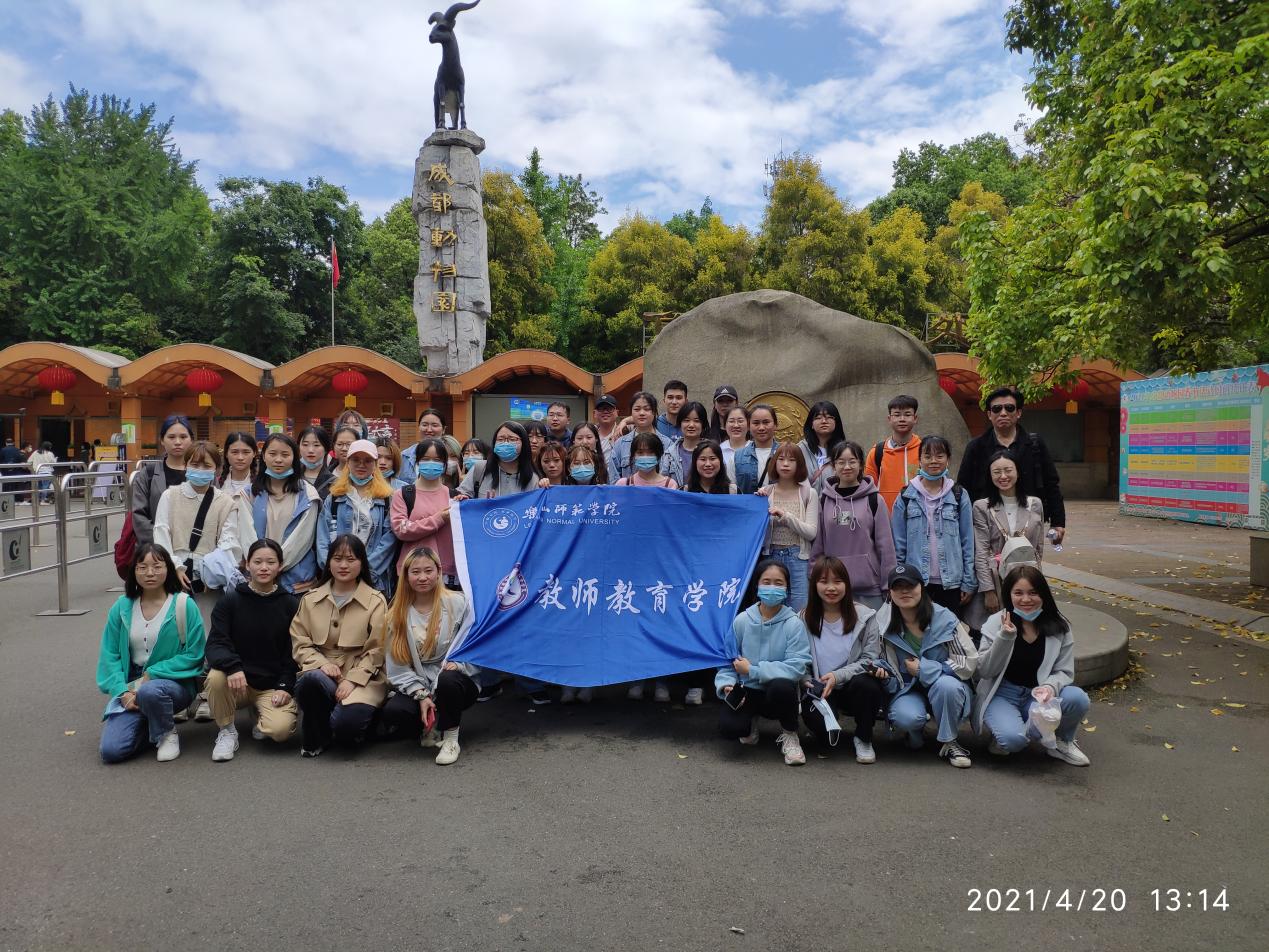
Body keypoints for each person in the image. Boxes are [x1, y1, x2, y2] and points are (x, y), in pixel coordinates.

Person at [96, 544, 206, 763]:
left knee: (151, 691)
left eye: (157, 566)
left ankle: (166, 733)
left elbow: (195, 653)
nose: (149, 573)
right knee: (112, 751)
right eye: (142, 567)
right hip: (132, 687)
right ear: (134, 571)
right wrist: (122, 692)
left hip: (173, 684)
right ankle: (152, 724)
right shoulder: (122, 607)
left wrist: (153, 673)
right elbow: (110, 656)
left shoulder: (184, 604)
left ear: (168, 569)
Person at [974, 565, 1090, 766]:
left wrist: (1050, 687)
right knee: (1013, 740)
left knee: (1078, 698)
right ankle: (1012, 731)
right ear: (1009, 595)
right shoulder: (995, 622)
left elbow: (1064, 671)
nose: (1026, 599)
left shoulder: (1059, 625)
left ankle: (1061, 742)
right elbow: (984, 670)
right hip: (1002, 695)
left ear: (1043, 594)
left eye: (1033, 593)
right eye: (1018, 593)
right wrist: (1005, 637)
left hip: (1038, 694)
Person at [290, 533, 388, 756]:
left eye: (351, 559)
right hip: (323, 674)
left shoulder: (376, 600)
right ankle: (318, 734)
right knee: (310, 680)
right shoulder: (310, 599)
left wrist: (352, 680)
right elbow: (300, 642)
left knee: (347, 729)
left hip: (364, 678)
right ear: (328, 562)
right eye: (337, 558)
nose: (343, 565)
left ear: (362, 563)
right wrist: (321, 664)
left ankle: (364, 722)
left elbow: (378, 649)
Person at [871, 564, 977, 768]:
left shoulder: (945, 618)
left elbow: (968, 661)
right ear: (890, 592)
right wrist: (881, 672)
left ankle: (950, 741)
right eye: (897, 587)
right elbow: (881, 660)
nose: (904, 591)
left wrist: (924, 670)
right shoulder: (882, 623)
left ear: (921, 587)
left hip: (944, 683)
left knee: (947, 687)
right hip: (907, 688)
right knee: (906, 717)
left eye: (910, 586)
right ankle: (914, 732)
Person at [380, 547, 479, 764]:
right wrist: (421, 694)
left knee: (448, 680)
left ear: (439, 572)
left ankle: (451, 738)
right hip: (419, 680)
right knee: (394, 711)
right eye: (415, 572)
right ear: (406, 576)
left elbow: (475, 645)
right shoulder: (396, 615)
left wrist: (459, 665)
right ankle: (429, 726)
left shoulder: (459, 603)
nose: (423, 577)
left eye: (428, 570)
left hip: (455, 680)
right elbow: (397, 668)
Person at [204, 539, 300, 761]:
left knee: (280, 731)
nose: (264, 567)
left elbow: (294, 651)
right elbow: (216, 643)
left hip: (271, 686)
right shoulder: (230, 601)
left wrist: (285, 685)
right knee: (216, 677)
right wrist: (233, 667)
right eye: (257, 562)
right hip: (237, 682)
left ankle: (261, 715)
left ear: (280, 566)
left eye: (270, 562)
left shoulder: (290, 604)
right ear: (247, 564)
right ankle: (227, 730)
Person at [715, 559, 812, 766]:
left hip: (777, 693)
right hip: (747, 692)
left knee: (782, 686)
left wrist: (753, 670)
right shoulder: (741, 620)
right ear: (757, 586)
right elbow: (727, 661)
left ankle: (790, 734)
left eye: (778, 583)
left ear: (787, 588)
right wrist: (726, 685)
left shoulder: (794, 624)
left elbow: (797, 666)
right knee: (729, 729)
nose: (772, 588)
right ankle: (750, 724)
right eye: (766, 582)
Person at [799, 556, 885, 763]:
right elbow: (798, 658)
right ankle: (825, 731)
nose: (831, 588)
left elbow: (870, 659)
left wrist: (837, 676)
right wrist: (806, 679)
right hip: (820, 688)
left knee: (869, 685)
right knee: (825, 739)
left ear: (847, 584)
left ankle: (863, 738)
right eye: (824, 581)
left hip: (852, 685)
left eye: (837, 581)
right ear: (814, 585)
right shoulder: (802, 618)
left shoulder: (865, 616)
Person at [957, 386, 1066, 545]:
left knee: (1027, 559)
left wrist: (1058, 522)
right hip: (988, 523)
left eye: (1009, 408)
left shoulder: (1034, 444)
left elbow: (1051, 484)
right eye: (996, 409)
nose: (1003, 413)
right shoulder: (976, 447)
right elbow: (963, 488)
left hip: (1027, 520)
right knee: (987, 560)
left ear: (1018, 412)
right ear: (989, 414)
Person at [152, 440, 240, 612]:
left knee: (206, 623)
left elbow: (229, 542)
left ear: (217, 469)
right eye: (194, 464)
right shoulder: (170, 496)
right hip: (173, 576)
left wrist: (213, 574)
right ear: (185, 465)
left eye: (206, 465)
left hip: (209, 582)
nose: (200, 469)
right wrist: (175, 568)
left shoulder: (226, 502)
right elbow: (161, 535)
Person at [891, 435, 974, 615]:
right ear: (920, 460)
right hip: (916, 582)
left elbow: (968, 542)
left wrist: (968, 581)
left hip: (951, 583)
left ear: (948, 459)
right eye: (927, 456)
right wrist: (899, 579)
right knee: (918, 628)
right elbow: (899, 545)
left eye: (939, 456)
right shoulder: (906, 497)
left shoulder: (959, 495)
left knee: (949, 629)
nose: (933, 461)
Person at [811, 441, 897, 609]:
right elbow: (818, 544)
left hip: (870, 587)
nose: (847, 467)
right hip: (833, 587)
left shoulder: (874, 499)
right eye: (841, 462)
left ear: (861, 465)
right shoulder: (824, 500)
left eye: (852, 461)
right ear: (833, 466)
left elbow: (885, 546)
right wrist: (813, 575)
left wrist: (889, 583)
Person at [970, 451, 1045, 622]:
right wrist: (988, 591)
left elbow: (1038, 548)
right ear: (990, 476)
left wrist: (1036, 584)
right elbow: (981, 552)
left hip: (1027, 581)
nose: (1003, 476)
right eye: (997, 472)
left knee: (1027, 627)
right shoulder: (982, 507)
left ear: (1018, 471)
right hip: (996, 580)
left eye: (1008, 470)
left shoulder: (1035, 504)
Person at [317, 439, 396, 594]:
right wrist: (333, 568)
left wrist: (365, 570)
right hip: (336, 580)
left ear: (375, 464)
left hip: (373, 581)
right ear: (348, 463)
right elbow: (322, 538)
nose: (361, 465)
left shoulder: (386, 499)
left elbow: (388, 541)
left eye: (367, 460)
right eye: (356, 460)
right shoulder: (333, 498)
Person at [246, 433, 321, 594]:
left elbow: (302, 539)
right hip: (257, 580)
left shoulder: (308, 494)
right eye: (272, 454)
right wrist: (261, 566)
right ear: (263, 456)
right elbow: (246, 536)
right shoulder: (248, 493)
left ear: (294, 457)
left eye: (285, 455)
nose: (278, 459)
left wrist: (272, 567)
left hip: (296, 582)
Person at [756, 444, 818, 611]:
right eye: (781, 459)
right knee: (770, 608)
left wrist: (785, 516)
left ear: (800, 465)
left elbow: (811, 532)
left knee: (800, 610)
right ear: (774, 463)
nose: (785, 464)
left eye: (792, 460)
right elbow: (756, 531)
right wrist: (757, 504)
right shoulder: (765, 493)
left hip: (798, 557)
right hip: (770, 556)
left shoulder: (809, 493)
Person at [390, 437, 456, 584]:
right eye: (426, 459)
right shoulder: (403, 494)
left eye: (437, 460)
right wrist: (439, 518)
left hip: (446, 574)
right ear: (417, 462)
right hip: (413, 572)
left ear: (445, 464)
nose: (431, 463)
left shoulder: (454, 496)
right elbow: (402, 530)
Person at [131, 414, 192, 547]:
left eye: (183, 437)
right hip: (156, 549)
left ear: (191, 439)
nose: (177, 442)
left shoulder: (202, 473)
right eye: (171, 437)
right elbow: (139, 515)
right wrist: (161, 542)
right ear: (162, 440)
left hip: (193, 548)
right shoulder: (148, 474)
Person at [611, 391, 685, 484]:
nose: (642, 413)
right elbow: (613, 480)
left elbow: (672, 477)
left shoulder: (668, 444)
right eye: (637, 409)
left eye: (647, 409)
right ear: (631, 413)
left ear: (654, 412)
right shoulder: (620, 444)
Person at [865, 395, 923, 510]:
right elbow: (868, 490)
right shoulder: (877, 452)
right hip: (885, 516)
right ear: (889, 419)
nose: (902, 419)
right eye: (897, 415)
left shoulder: (924, 451)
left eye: (907, 414)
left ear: (915, 418)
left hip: (918, 517)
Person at [457, 422, 538, 500]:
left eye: (512, 439)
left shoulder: (532, 478)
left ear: (524, 443)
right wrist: (464, 498)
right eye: (500, 439)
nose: (506, 443)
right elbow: (462, 495)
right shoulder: (480, 469)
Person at [797, 401, 845, 490]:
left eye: (829, 417)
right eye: (818, 418)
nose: (824, 421)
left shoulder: (844, 450)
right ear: (811, 424)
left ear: (836, 422)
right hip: (806, 498)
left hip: (836, 498)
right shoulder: (799, 450)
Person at [733, 403, 778, 494]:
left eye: (766, 422)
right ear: (749, 426)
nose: (761, 428)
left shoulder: (787, 454)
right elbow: (731, 490)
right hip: (747, 503)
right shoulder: (737, 457)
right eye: (756, 423)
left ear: (775, 425)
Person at [613, 432, 678, 490]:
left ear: (659, 455)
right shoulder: (623, 484)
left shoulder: (670, 485)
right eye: (640, 452)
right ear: (633, 456)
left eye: (650, 452)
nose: (645, 456)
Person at [398, 408, 447, 483]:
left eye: (435, 425)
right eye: (424, 425)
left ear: (444, 429)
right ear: (419, 427)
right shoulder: (404, 456)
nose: (429, 430)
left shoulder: (453, 456)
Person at [668, 401, 708, 483]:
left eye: (696, 421)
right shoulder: (669, 454)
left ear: (703, 424)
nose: (691, 425)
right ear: (680, 423)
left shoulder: (714, 451)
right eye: (686, 420)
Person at [297, 425, 335, 499]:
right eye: (305, 445)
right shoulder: (291, 478)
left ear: (326, 449)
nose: (310, 450)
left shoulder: (334, 482)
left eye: (316, 445)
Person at [219, 431, 258, 498]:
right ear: (226, 454)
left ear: (254, 453)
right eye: (235, 452)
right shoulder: (216, 484)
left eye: (246, 452)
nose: (240, 458)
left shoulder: (262, 485)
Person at [720, 404, 750, 482]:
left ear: (749, 425)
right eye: (731, 421)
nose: (736, 425)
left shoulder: (755, 449)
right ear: (724, 425)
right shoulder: (718, 450)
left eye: (740, 421)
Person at [591, 395, 621, 470]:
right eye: (601, 409)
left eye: (609, 409)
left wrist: (625, 421)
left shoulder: (625, 432)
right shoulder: (588, 434)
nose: (605, 412)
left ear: (617, 412)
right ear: (594, 413)